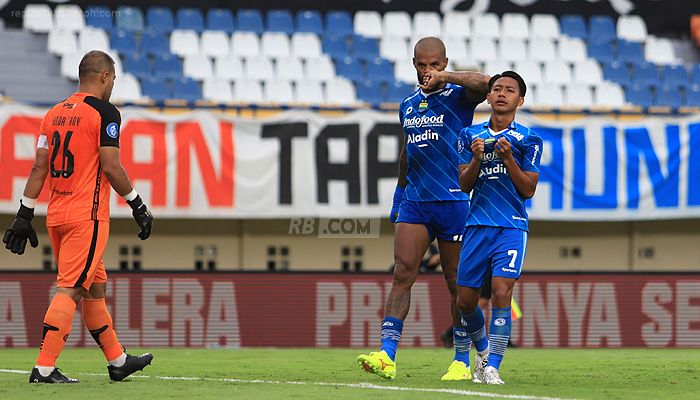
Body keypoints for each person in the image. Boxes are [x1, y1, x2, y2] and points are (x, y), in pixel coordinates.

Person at [2, 50, 154, 384]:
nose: (113, 85)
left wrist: (24, 213)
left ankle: (117, 361)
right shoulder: (105, 112)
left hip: (57, 215)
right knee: (70, 289)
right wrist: (138, 205)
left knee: (95, 287)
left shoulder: (53, 114)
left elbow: (39, 167)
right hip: (88, 216)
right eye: (113, 79)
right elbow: (111, 165)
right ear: (103, 76)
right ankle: (43, 368)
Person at [357, 37, 489, 381]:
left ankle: (461, 360)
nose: (427, 70)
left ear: (444, 62)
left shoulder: (459, 95)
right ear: (413, 63)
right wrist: (398, 200)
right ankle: (387, 355)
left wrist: (447, 78)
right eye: (421, 64)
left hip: (454, 200)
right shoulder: (408, 104)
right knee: (402, 273)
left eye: (434, 64)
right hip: (415, 202)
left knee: (458, 285)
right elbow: (407, 155)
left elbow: (486, 84)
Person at [456, 71, 542, 385]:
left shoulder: (529, 139)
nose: (502, 93)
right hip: (477, 224)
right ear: (489, 97)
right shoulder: (470, 135)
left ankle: (493, 365)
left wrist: (508, 159)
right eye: (496, 89)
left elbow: (528, 189)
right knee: (465, 301)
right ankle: (482, 352)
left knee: (501, 292)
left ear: (520, 100)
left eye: (509, 90)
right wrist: (477, 159)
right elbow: (463, 183)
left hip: (511, 226)